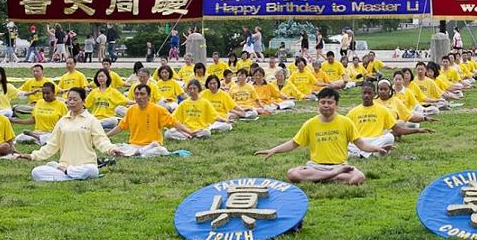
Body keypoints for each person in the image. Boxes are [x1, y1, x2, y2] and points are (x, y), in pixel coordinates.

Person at [255, 88, 386, 184]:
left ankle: (322, 178)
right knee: (292, 173)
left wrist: (377, 149)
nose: (326, 105)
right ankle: (333, 176)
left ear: (336, 105)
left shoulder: (346, 122)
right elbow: (294, 143)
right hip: (315, 166)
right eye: (323, 102)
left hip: (339, 165)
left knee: (359, 177)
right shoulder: (310, 123)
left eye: (330, 102)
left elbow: (361, 144)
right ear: (318, 104)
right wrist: (274, 150)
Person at [18, 88, 123, 180]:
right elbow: (51, 145)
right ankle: (72, 175)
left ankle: (67, 173)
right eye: (69, 99)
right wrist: (32, 156)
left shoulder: (91, 120)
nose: (71, 102)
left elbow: (101, 140)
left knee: (92, 171)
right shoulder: (62, 121)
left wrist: (111, 149)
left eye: (75, 99)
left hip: (85, 165)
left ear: (83, 101)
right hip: (64, 165)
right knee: (36, 172)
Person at [108, 83, 192, 156]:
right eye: (136, 94)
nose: (139, 97)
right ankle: (139, 153)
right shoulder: (131, 110)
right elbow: (120, 127)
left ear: (148, 96)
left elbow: (175, 123)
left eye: (142, 94)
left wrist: (189, 132)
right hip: (134, 146)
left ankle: (138, 153)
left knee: (161, 150)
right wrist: (106, 136)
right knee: (114, 148)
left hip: (153, 145)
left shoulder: (158, 109)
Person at [345, 82, 401, 157]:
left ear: (374, 94)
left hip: (376, 140)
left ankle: (361, 154)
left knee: (390, 137)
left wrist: (418, 130)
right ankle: (372, 152)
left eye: (369, 93)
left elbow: (396, 128)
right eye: (364, 93)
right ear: (361, 94)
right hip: (360, 141)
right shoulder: (353, 112)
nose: (366, 96)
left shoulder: (382, 110)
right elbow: (344, 130)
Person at [166, 79, 233, 140]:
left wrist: (225, 120)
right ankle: (190, 136)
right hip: (186, 129)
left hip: (200, 129)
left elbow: (214, 116)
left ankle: (189, 137)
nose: (192, 91)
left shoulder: (205, 102)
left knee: (207, 133)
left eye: (194, 88)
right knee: (168, 133)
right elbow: (173, 118)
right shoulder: (184, 103)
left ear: (199, 89)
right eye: (190, 89)